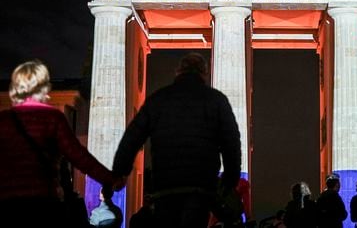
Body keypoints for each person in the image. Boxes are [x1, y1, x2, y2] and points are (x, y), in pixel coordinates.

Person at [112, 52, 241, 228]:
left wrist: (120, 171)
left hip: (165, 186)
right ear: (204, 73)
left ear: (178, 72)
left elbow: (132, 137)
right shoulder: (216, 100)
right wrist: (230, 179)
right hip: (200, 186)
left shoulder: (158, 99)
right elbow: (231, 141)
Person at [0, 60, 120, 228]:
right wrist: (111, 178)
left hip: (7, 205)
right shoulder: (52, 118)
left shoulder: (4, 120)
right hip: (43, 203)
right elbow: (79, 157)